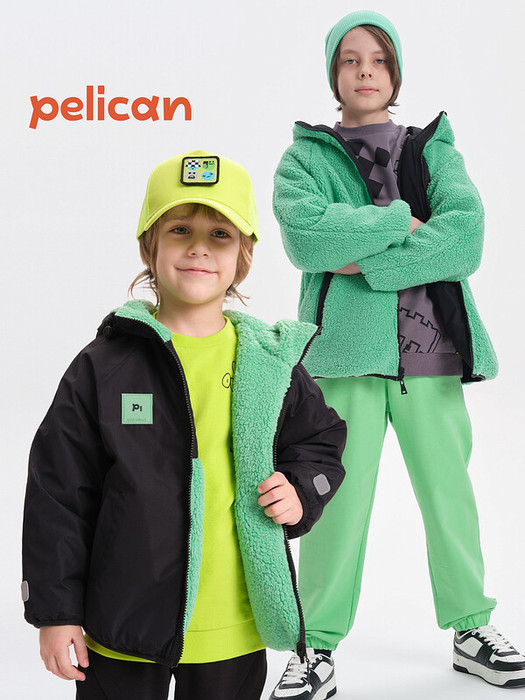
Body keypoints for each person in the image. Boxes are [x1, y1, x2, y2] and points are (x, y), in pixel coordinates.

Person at [21, 150, 346, 700]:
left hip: (233, 630)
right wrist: (55, 612)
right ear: (149, 246)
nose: (199, 247)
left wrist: (301, 491)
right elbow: (58, 493)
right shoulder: (104, 365)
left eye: (220, 234)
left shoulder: (269, 361)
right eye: (179, 230)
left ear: (243, 256)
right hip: (122, 625)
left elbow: (321, 441)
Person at [270, 10, 525, 699]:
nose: (365, 71)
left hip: (431, 354)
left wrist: (364, 258)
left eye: (378, 60)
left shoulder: (433, 148)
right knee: (333, 502)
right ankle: (315, 646)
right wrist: (397, 222)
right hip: (341, 359)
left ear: (396, 72)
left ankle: (471, 630)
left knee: (450, 498)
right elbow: (307, 241)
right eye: (350, 60)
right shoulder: (304, 158)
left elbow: (464, 240)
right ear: (333, 73)